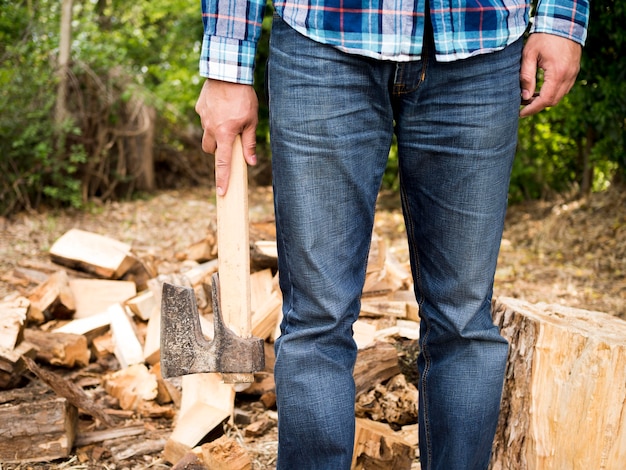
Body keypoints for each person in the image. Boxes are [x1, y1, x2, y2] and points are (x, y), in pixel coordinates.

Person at [195, 0, 588, 468]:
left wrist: (562, 18)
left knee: (464, 324)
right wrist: (226, 62)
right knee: (316, 321)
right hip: (323, 36)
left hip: (479, 39)